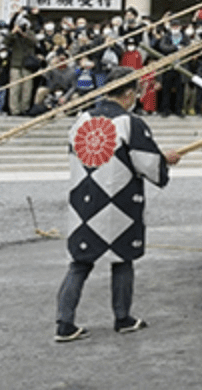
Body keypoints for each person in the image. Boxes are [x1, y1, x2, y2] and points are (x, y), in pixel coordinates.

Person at [56, 67, 180, 343]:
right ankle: (122, 317)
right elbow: (147, 163)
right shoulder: (130, 123)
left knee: (80, 262)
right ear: (128, 94)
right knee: (122, 258)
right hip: (118, 200)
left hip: (84, 198)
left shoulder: (82, 120)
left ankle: (64, 322)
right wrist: (163, 161)